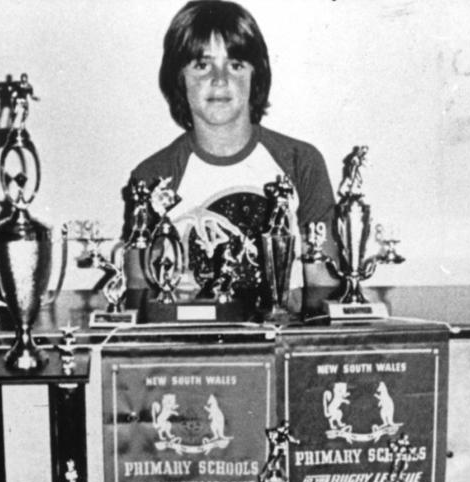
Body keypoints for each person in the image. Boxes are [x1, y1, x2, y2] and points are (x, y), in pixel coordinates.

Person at [122, 0, 336, 313]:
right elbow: (138, 298)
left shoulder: (301, 162)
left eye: (235, 65)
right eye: (201, 65)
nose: (219, 79)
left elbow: (324, 290)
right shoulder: (152, 176)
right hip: (190, 353)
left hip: (281, 346)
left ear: (256, 76)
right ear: (178, 77)